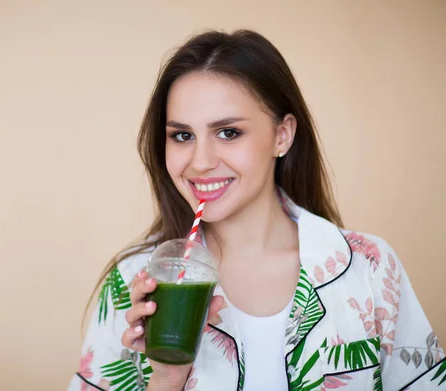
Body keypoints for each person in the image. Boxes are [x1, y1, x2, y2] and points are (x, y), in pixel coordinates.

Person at [66, 29, 444, 391]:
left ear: (282, 135)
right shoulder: (134, 281)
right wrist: (166, 379)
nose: (199, 162)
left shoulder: (371, 269)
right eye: (182, 135)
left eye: (228, 132)